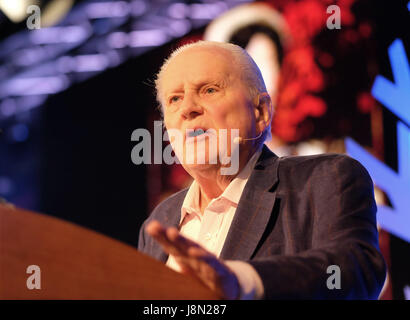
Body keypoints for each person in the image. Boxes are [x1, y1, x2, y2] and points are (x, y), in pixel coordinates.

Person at [137, 41, 386, 299]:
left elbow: (355, 271)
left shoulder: (324, 179)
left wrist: (242, 282)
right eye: (175, 99)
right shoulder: (159, 221)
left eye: (209, 90)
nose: (187, 109)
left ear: (260, 112)